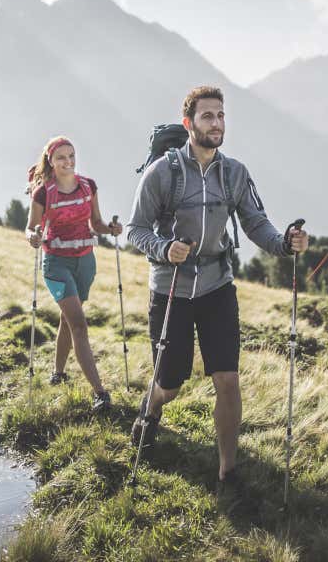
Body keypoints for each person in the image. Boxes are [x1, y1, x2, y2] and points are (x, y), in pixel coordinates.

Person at [126, 85, 309, 493]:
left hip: (217, 286)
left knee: (227, 378)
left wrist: (284, 243)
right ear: (189, 123)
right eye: (208, 116)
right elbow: (135, 229)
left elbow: (254, 222)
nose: (217, 123)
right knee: (171, 382)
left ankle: (228, 472)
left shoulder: (234, 173)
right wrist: (163, 248)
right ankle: (151, 408)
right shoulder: (164, 173)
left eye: (221, 115)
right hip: (171, 286)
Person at [25, 136, 122, 412]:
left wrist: (111, 230)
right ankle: (100, 393)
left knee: (67, 321)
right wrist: (32, 236)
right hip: (56, 264)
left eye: (71, 156)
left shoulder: (88, 186)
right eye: (61, 158)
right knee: (79, 325)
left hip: (85, 263)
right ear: (51, 162)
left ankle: (58, 373)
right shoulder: (43, 193)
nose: (68, 162)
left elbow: (97, 223)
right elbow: (30, 227)